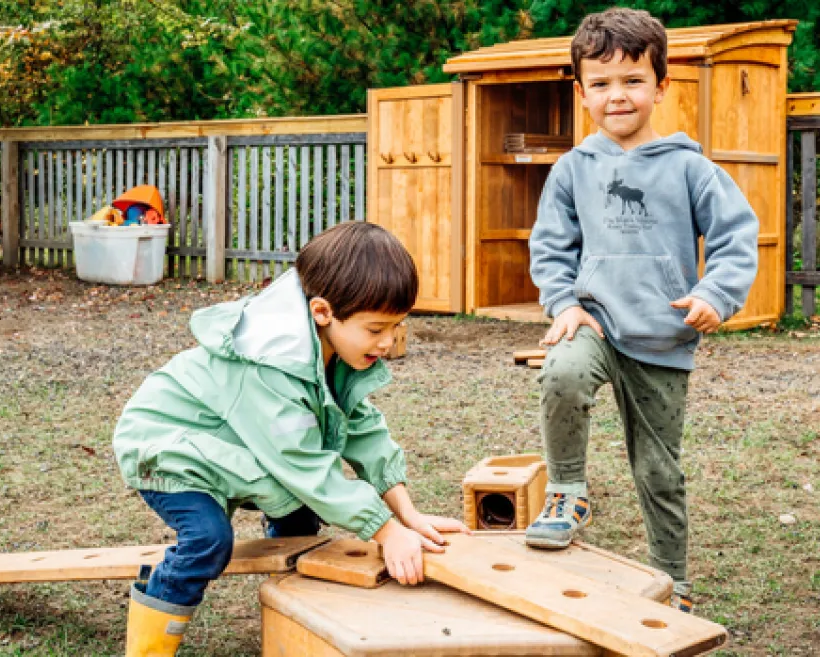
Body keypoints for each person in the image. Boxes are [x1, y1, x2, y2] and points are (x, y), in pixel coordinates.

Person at [113, 221, 468, 655]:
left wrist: (406, 512)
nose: (389, 342)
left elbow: (362, 428)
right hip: (168, 447)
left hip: (235, 444)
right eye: (376, 330)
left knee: (301, 524)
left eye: (396, 327)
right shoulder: (269, 365)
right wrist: (385, 531)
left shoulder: (333, 347)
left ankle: (294, 621)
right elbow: (303, 464)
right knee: (209, 541)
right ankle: (150, 637)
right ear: (323, 312)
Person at [525, 7, 759, 615]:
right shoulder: (573, 170)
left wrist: (713, 295)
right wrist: (562, 302)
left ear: (661, 85)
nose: (617, 95)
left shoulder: (690, 167)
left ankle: (672, 583)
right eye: (600, 83)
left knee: (659, 470)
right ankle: (567, 492)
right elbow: (551, 248)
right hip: (595, 323)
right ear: (581, 93)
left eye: (632, 80)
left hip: (662, 338)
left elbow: (736, 238)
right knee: (562, 373)